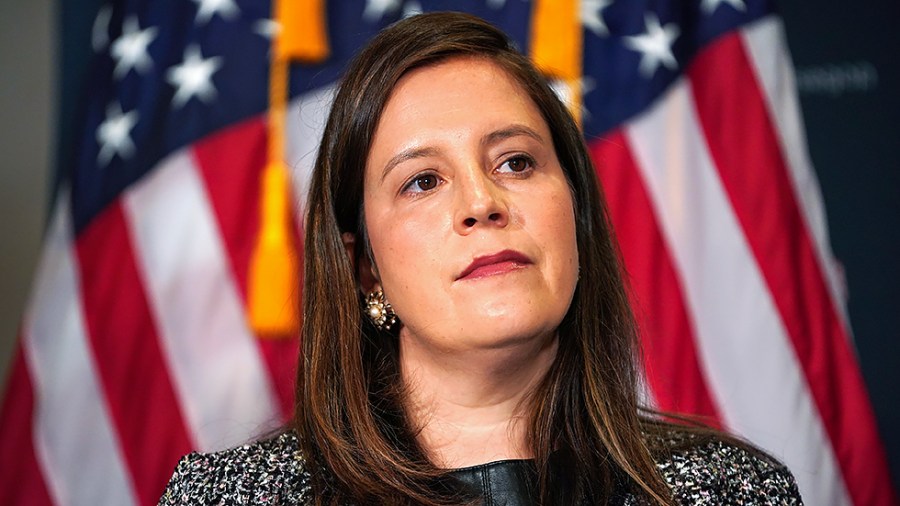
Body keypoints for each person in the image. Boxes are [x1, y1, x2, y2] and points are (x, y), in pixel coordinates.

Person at [159, 12, 802, 506]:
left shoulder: (727, 490)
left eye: (516, 162)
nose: (481, 203)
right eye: (422, 181)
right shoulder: (236, 497)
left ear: (575, 213)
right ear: (365, 269)